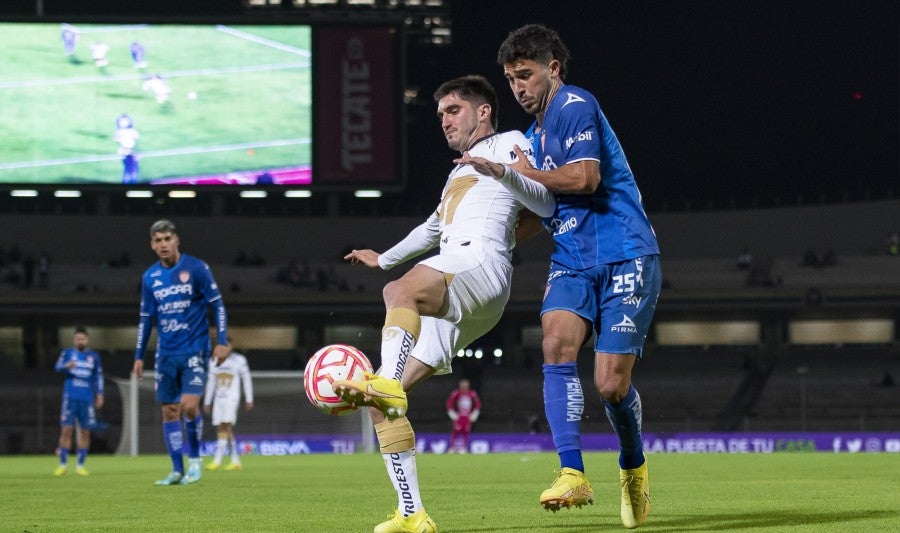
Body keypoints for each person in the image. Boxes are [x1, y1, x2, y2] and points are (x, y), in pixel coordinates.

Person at [332, 74, 555, 533]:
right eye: (440, 116)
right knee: (380, 405)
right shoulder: (458, 170)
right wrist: (383, 258)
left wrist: (506, 173)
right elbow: (433, 227)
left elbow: (548, 202)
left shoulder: (510, 142)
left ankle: (386, 381)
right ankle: (412, 513)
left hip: (479, 265)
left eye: (453, 111)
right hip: (460, 275)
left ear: (484, 111)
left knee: (400, 292)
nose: (445, 121)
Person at [487, 24, 662, 529]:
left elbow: (585, 179)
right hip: (572, 259)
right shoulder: (536, 139)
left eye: (526, 74)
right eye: (511, 79)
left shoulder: (574, 105)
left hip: (625, 253)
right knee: (555, 342)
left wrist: (519, 174)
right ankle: (572, 472)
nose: (519, 87)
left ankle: (632, 467)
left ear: (553, 69)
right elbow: (541, 214)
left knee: (610, 386)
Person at [132, 219, 231, 486]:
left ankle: (195, 460)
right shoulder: (149, 277)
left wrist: (221, 340)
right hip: (165, 355)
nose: (163, 244)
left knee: (188, 407)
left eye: (167, 239)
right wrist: (138, 356)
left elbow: (218, 305)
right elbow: (145, 318)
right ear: (152, 245)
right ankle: (177, 470)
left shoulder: (197, 268)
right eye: (158, 240)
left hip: (194, 350)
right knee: (169, 413)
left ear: (176, 240)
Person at [53, 327, 104, 477]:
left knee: (85, 431)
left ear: (87, 340)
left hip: (86, 399)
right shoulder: (67, 353)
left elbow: (98, 377)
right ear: (74, 340)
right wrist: (65, 366)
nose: (80, 341)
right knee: (66, 430)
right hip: (70, 398)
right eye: (78, 339)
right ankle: (62, 464)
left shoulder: (93, 356)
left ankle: (80, 465)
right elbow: (57, 367)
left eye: (83, 339)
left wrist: (100, 394)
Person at [203, 339, 254, 471]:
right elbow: (211, 382)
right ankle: (235, 460)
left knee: (225, 425)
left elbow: (246, 380)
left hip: (232, 398)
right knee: (223, 428)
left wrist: (249, 399)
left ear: (231, 346)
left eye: (228, 345)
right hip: (218, 399)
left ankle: (217, 460)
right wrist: (207, 401)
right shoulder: (214, 361)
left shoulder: (239, 360)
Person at [445, 378, 481, 454]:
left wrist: (475, 413)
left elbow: (477, 404)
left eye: (465, 385)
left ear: (468, 386)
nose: (464, 387)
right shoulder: (457, 393)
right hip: (459, 416)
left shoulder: (472, 393)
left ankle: (463, 448)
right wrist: (451, 413)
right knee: (455, 432)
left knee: (465, 432)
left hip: (467, 417)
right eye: (463, 385)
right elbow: (449, 402)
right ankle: (452, 448)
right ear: (460, 385)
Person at [115, 114, 140, 184]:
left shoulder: (132, 131)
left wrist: (135, 152)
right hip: (124, 152)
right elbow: (117, 141)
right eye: (121, 121)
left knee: (134, 168)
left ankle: (134, 183)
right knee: (127, 168)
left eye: (125, 121)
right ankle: (126, 183)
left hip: (132, 151)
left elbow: (136, 141)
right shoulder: (119, 132)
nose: (124, 123)